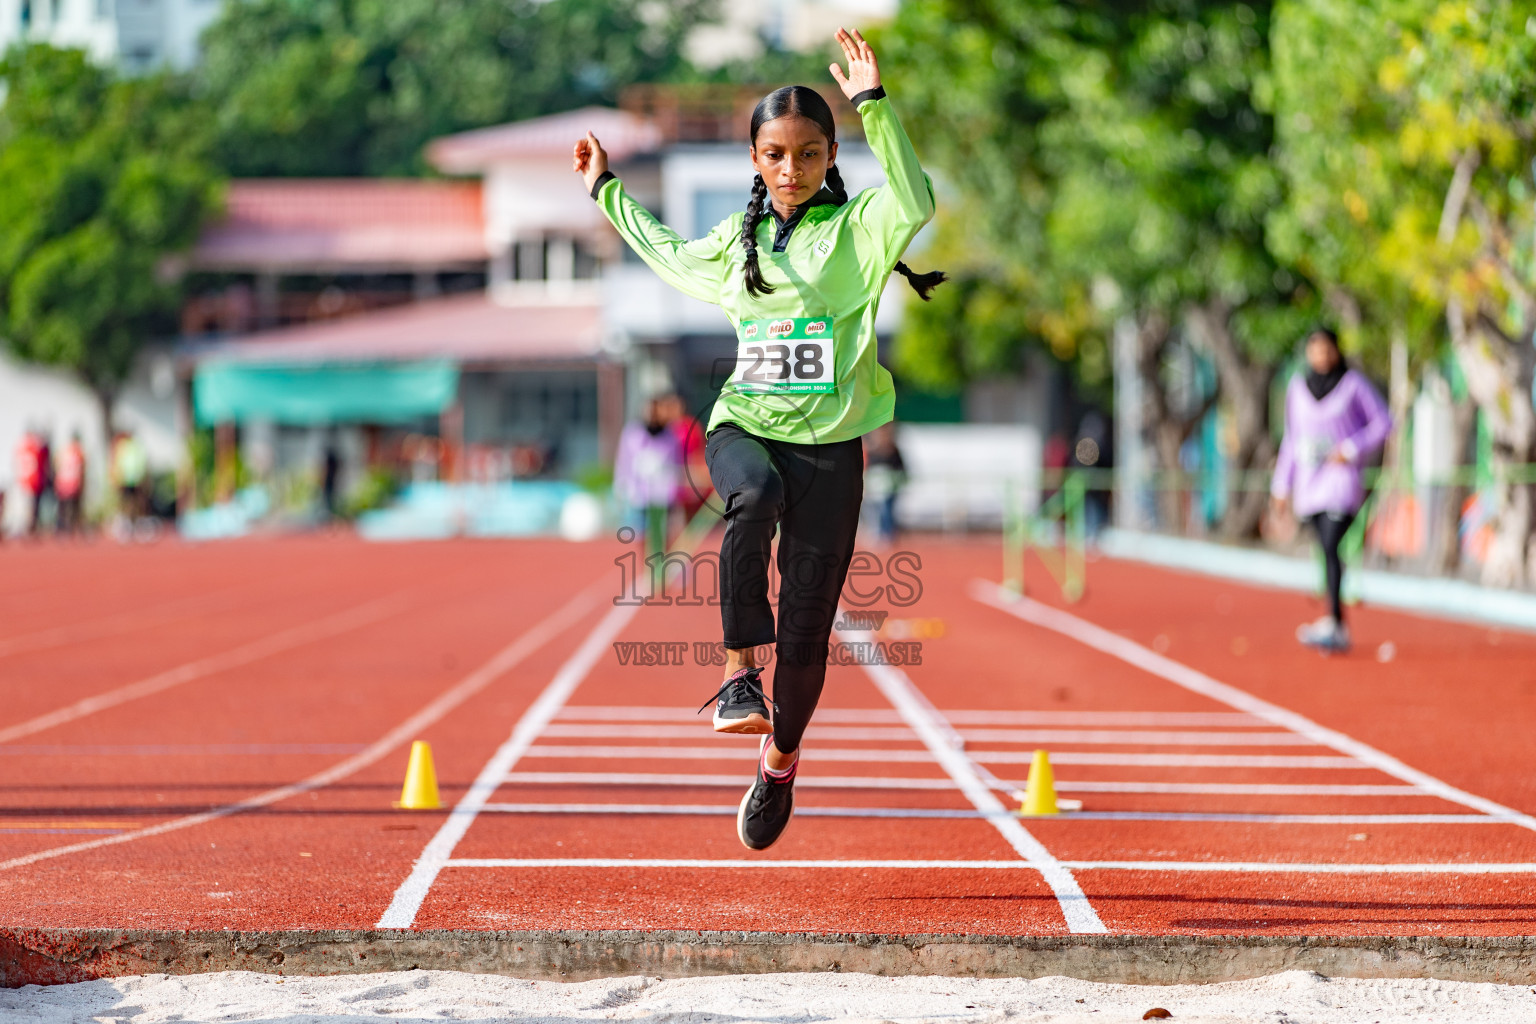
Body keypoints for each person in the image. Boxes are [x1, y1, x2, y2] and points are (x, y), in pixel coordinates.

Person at [574, 27, 941, 851]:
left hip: (833, 448)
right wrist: (608, 193)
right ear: (753, 158)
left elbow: (915, 200)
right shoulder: (736, 245)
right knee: (753, 497)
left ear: (829, 154)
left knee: (810, 631)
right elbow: (667, 255)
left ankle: (779, 762)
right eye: (774, 154)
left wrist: (875, 105)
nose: (790, 170)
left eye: (807, 154)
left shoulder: (861, 233)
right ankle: (740, 675)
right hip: (745, 425)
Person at [1270, 327, 1391, 653]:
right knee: (1325, 548)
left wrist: (1351, 449)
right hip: (1309, 484)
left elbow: (1383, 422)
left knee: (1331, 543)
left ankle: (1335, 622)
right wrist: (1281, 485)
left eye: (1327, 349)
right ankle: (1333, 619)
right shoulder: (1296, 388)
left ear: (1336, 350)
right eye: (1315, 349)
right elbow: (1291, 440)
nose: (1322, 356)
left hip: (1341, 480)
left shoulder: (1352, 384)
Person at [613, 397, 684, 558]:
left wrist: (676, 488)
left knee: (664, 533)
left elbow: (676, 465)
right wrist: (621, 487)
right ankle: (648, 563)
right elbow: (624, 461)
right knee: (643, 533)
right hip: (640, 494)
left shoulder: (671, 436)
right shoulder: (633, 434)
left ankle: (661, 564)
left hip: (663, 495)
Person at [863, 421, 906, 545]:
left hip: (890, 485)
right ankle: (878, 533)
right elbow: (868, 467)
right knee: (874, 511)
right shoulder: (872, 450)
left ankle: (888, 534)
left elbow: (900, 467)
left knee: (887, 509)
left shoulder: (893, 449)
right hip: (875, 486)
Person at [54, 431, 86, 536]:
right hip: (72, 482)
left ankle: (62, 527)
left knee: (63, 507)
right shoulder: (79, 451)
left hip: (63, 481)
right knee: (72, 507)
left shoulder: (64, 450)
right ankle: (69, 527)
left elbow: (57, 463)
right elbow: (82, 468)